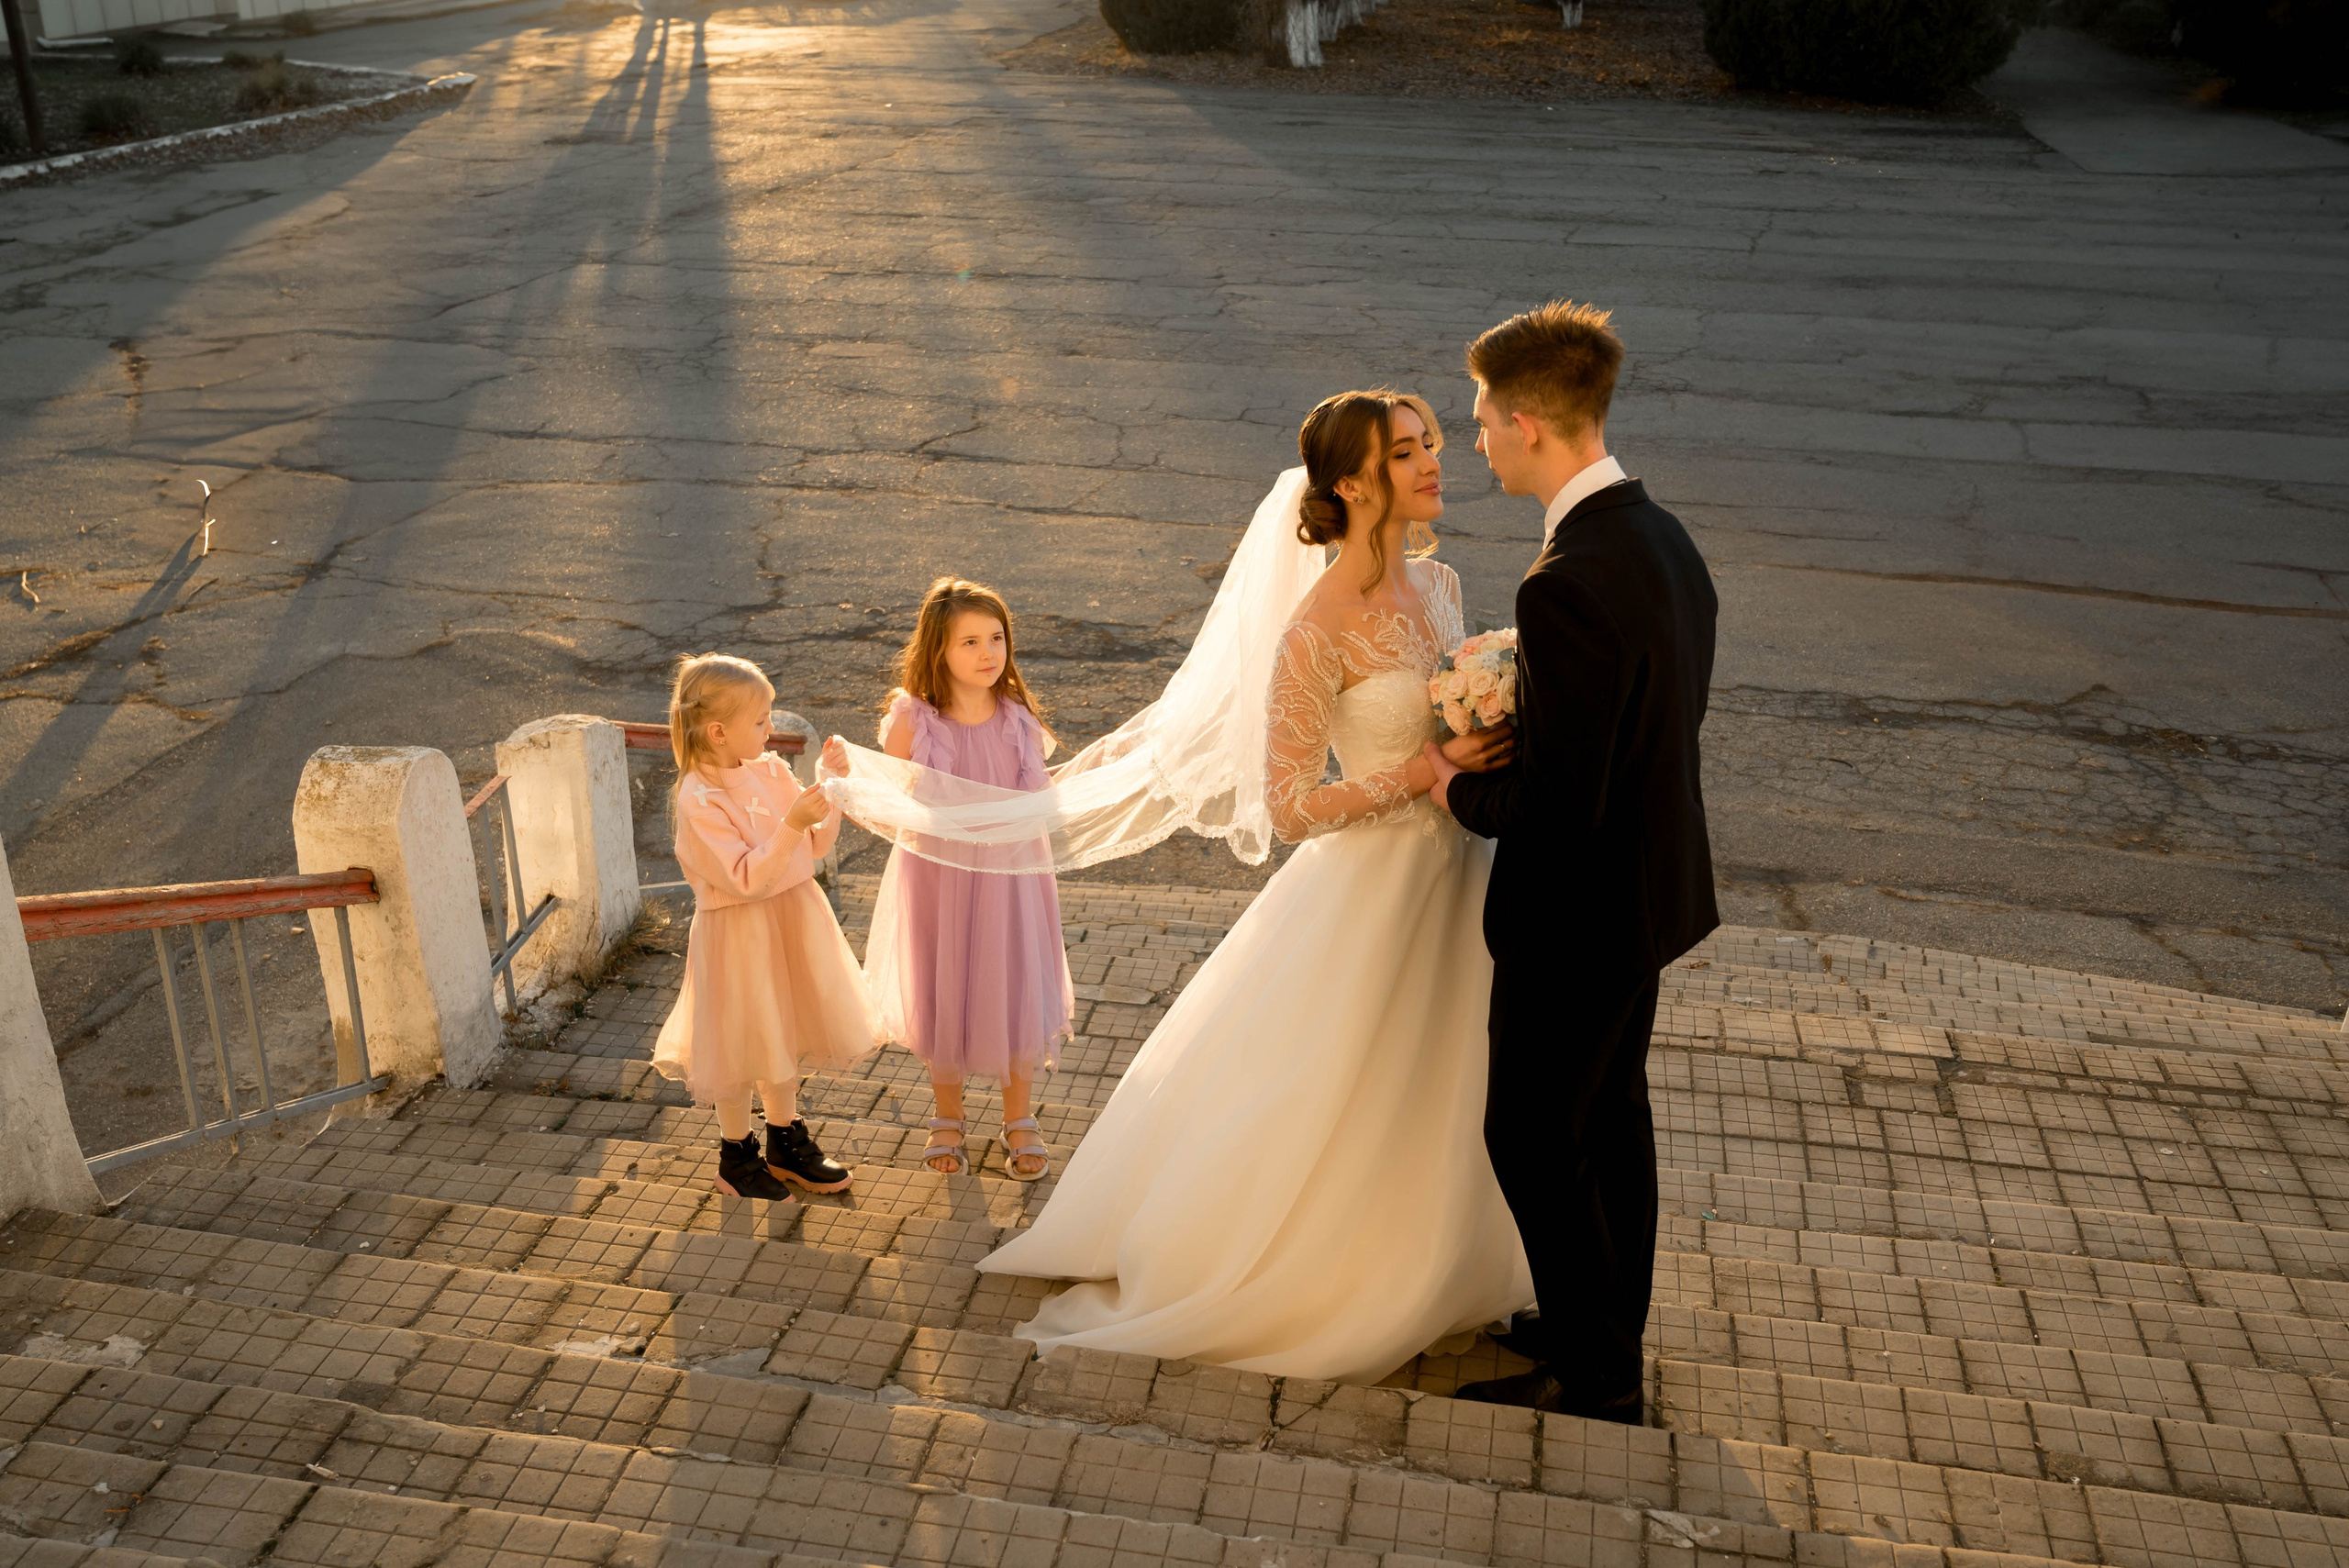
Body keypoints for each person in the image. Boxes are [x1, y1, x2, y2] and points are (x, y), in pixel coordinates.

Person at [959, 392, 1527, 1382]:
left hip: (1457, 877)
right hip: (1369, 889)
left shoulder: (1440, 585)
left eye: (1432, 441)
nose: (1434, 461)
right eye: (1405, 451)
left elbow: (1439, 717)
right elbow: (1289, 804)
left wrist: (1472, 744)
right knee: (1340, 1087)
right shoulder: (1314, 629)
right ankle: (1326, 1271)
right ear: (1351, 484)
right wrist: (1420, 774)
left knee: (1450, 1084)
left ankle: (1440, 1265)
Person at [1429, 301, 1720, 1420]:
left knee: (1535, 1132)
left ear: (1530, 425)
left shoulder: (1566, 582)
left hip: (1578, 913)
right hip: (1644, 896)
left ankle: (1599, 1374)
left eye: (1482, 422)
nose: (1477, 442)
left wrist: (1452, 780)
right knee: (1609, 1122)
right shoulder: (1660, 534)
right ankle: (1596, 1321)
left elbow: (1553, 799)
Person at [865, 578, 1074, 1182]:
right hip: (941, 879)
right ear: (939, 650)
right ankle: (947, 1115)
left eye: (997, 638)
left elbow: (1040, 798)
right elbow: (891, 793)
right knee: (947, 986)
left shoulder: (1018, 720)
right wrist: (847, 774)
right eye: (970, 642)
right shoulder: (916, 718)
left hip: (1010, 879)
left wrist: (1089, 780)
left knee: (1011, 984)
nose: (988, 653)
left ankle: (1018, 1115)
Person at [651, 652, 875, 1200]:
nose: (771, 728)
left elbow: (815, 846)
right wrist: (793, 824)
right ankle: (736, 1153)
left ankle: (785, 1137)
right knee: (739, 1041)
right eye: (760, 720)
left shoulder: (771, 771)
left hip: (791, 919)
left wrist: (830, 790)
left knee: (783, 1028)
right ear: (719, 731)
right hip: (739, 935)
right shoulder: (697, 801)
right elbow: (746, 879)